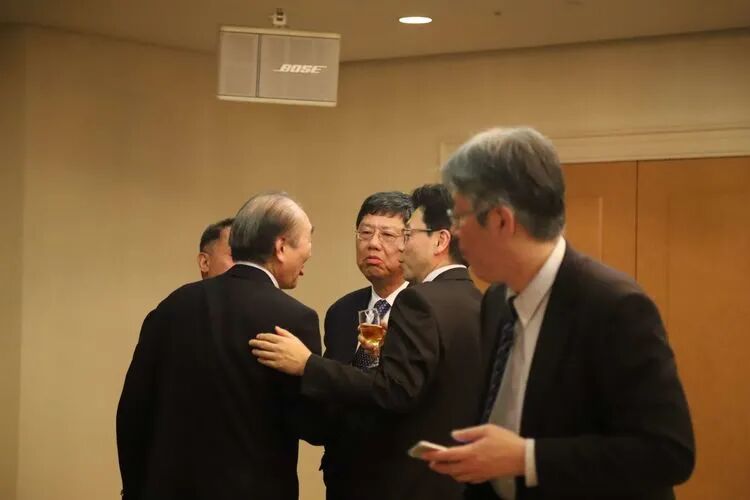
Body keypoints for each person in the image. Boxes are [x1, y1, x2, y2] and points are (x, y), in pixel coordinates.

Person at [419, 127, 694, 500]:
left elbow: (667, 453)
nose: (454, 232)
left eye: (459, 216)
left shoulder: (614, 307)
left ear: (501, 220)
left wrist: (527, 458)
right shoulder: (496, 300)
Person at [249, 184, 485, 500]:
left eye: (390, 235)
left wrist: (308, 365)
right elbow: (339, 395)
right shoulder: (342, 311)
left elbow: (396, 390)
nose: (373, 243)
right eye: (365, 233)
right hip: (347, 480)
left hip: (407, 481)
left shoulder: (423, 304)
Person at [116, 192, 321, 500]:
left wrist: (134, 490)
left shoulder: (173, 306)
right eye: (305, 251)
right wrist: (315, 369)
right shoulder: (294, 318)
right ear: (280, 247)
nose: (305, 265)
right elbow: (313, 426)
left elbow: (133, 410)